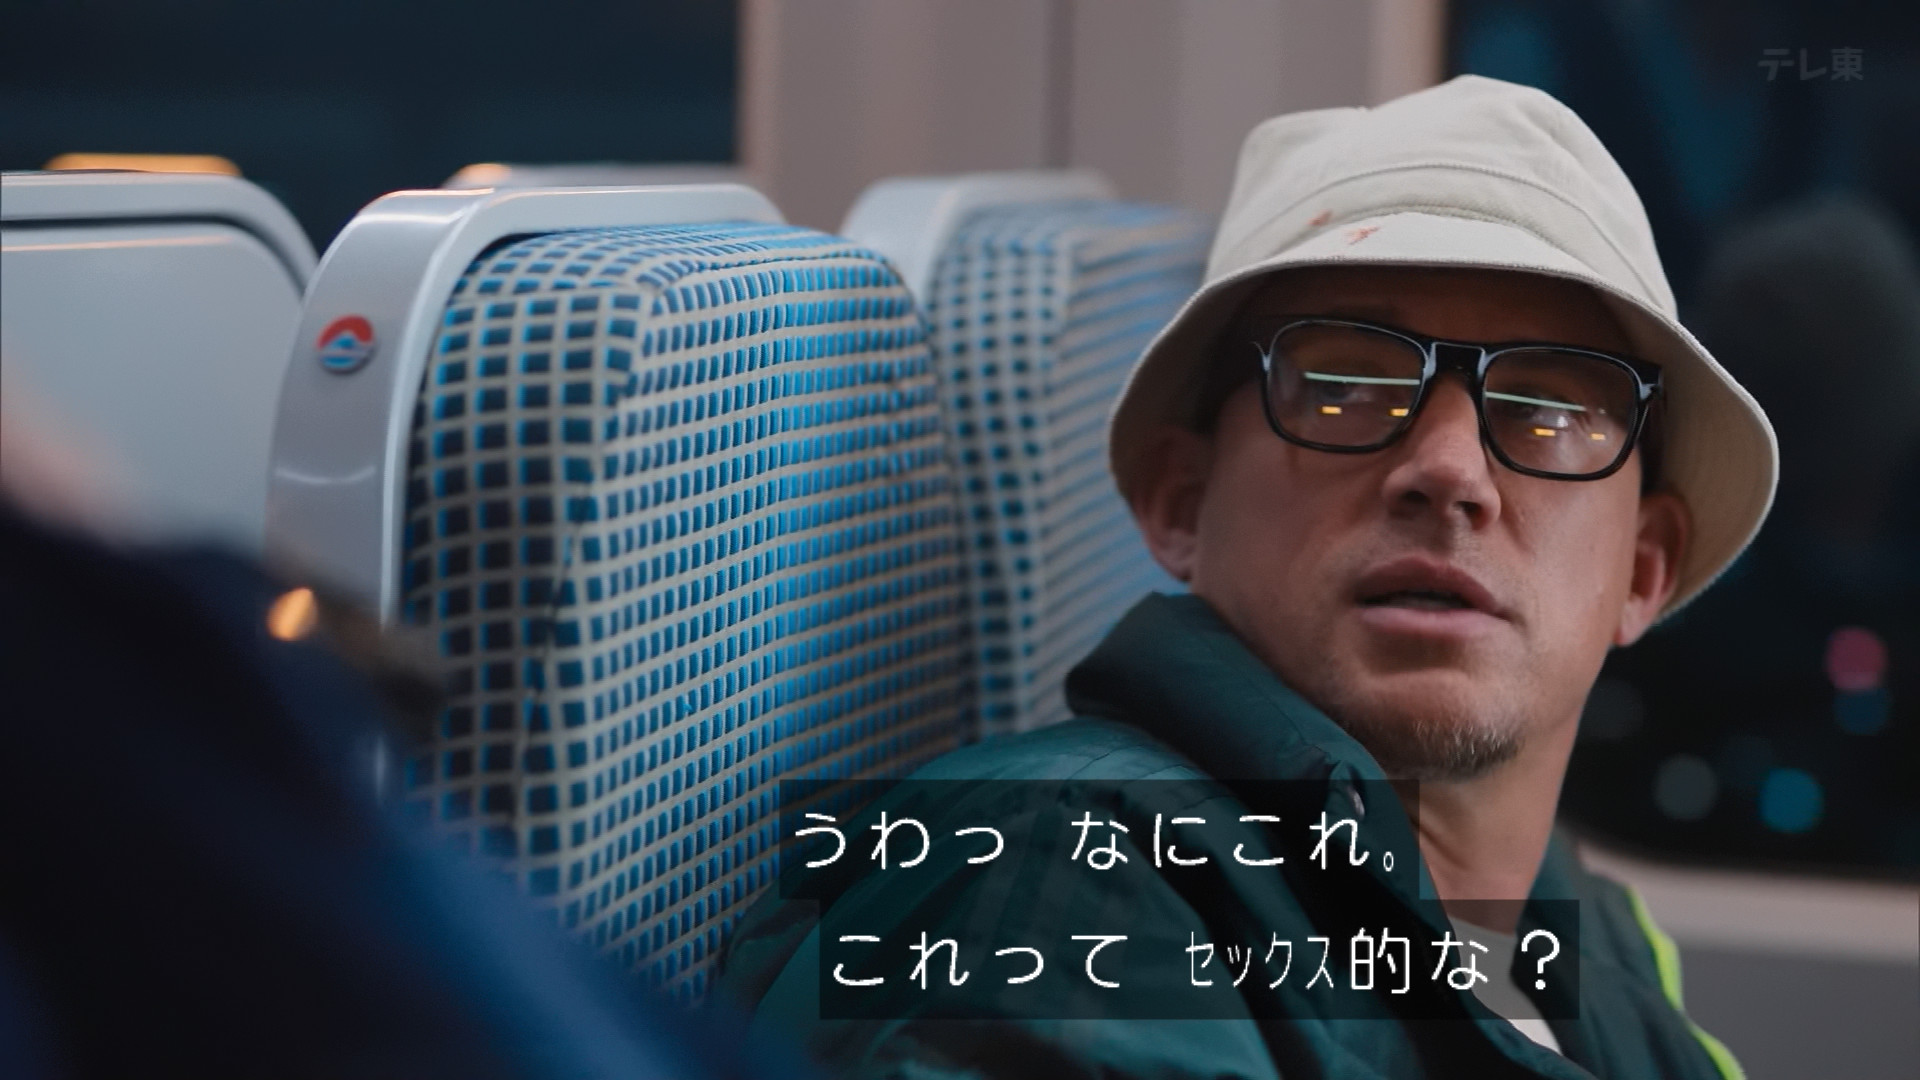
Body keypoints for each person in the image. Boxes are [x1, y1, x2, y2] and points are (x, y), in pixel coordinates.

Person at [718, 76, 1771, 1079]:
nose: (1450, 472)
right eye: (1346, 385)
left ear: (1644, 569)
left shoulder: (1591, 934)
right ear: (1181, 504)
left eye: (1550, 411)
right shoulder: (1056, 887)